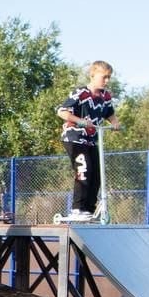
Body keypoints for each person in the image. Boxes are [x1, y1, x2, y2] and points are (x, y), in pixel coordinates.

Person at [56, 61, 122, 220]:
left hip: (91, 140)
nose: (106, 80)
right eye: (103, 77)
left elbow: (109, 113)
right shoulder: (81, 93)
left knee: (97, 174)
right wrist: (80, 121)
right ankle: (77, 209)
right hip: (74, 138)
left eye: (109, 77)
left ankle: (88, 209)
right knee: (84, 169)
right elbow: (62, 112)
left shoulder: (105, 96)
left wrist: (114, 122)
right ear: (93, 75)